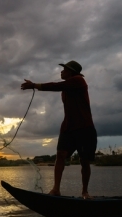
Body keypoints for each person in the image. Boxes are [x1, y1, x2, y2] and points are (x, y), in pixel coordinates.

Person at [21, 61, 97, 199]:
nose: (61, 72)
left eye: (64, 69)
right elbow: (59, 87)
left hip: (85, 128)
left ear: (71, 72)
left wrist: (34, 85)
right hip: (68, 127)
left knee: (84, 161)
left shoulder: (79, 81)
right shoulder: (68, 85)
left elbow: (56, 86)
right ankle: (56, 189)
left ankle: (85, 192)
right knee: (60, 155)